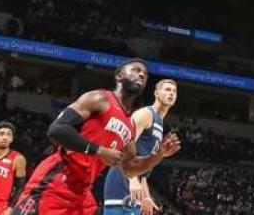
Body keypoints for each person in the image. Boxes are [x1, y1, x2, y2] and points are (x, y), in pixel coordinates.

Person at [12, 59, 181, 215]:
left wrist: (159, 155)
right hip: (58, 177)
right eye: (136, 70)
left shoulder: (129, 126)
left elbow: (130, 167)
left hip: (82, 192)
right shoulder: (100, 98)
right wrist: (99, 151)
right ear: (119, 76)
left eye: (145, 74)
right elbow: (56, 130)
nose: (141, 74)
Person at [103, 78, 179, 215]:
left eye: (174, 91)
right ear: (156, 93)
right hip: (122, 178)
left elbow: (144, 170)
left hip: (135, 181)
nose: (171, 93)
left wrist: (146, 196)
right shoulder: (145, 114)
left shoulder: (159, 125)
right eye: (167, 89)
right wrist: (132, 179)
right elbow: (122, 144)